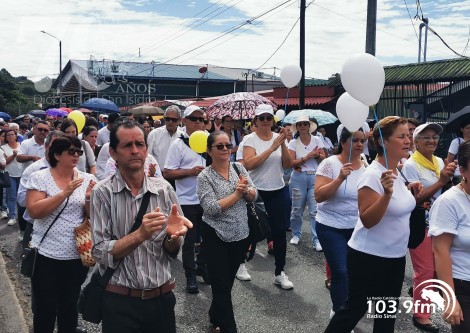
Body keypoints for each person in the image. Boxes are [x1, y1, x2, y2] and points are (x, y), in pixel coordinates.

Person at [91, 119, 192, 333]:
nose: (135, 151)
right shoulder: (102, 193)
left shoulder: (163, 189)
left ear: (147, 149)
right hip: (120, 301)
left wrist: (173, 238)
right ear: (113, 153)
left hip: (161, 298)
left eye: (140, 144)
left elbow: (172, 249)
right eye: (127, 146)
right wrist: (140, 235)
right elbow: (99, 252)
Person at [325, 116, 423, 333]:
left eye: (409, 135)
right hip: (368, 256)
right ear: (382, 141)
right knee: (354, 310)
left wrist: (408, 191)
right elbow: (368, 220)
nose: (408, 140)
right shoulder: (372, 175)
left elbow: (398, 209)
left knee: (385, 316)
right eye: (401, 136)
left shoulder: (399, 171)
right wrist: (386, 195)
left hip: (395, 257)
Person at [25, 136, 97, 333]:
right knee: (45, 307)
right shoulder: (40, 177)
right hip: (45, 254)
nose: (76, 155)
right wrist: (64, 193)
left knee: (69, 304)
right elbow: (34, 211)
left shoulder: (88, 179)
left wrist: (90, 200)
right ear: (57, 154)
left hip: (77, 253)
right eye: (71, 151)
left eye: (79, 152)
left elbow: (94, 217)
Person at [197, 131, 257, 333]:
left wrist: (246, 191)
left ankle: (215, 315)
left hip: (240, 234)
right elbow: (211, 208)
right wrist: (237, 193)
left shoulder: (239, 167)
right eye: (219, 146)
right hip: (215, 235)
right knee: (221, 286)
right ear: (209, 150)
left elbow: (254, 195)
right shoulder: (205, 176)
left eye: (228, 145)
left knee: (227, 283)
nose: (225, 149)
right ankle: (229, 328)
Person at [403, 123, 457, 332]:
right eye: (426, 137)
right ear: (415, 142)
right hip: (421, 224)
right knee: (425, 270)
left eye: (434, 137)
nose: (432, 141)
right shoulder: (410, 164)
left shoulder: (439, 161)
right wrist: (441, 180)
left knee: (438, 268)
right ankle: (421, 316)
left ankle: (421, 294)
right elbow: (416, 199)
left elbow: (443, 192)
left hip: (441, 222)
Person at [315, 128, 366, 319]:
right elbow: (319, 196)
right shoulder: (330, 164)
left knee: (354, 274)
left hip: (356, 228)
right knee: (341, 272)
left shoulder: (366, 166)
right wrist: (339, 178)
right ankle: (339, 314)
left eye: (362, 141)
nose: (360, 145)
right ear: (343, 142)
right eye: (355, 141)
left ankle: (345, 307)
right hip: (330, 226)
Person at [243, 104, 293, 290]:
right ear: (255, 121)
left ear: (273, 120)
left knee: (279, 232)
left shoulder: (279, 138)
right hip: (256, 191)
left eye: (268, 118)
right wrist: (272, 147)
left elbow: (288, 164)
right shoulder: (250, 139)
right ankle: (241, 264)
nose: (265, 121)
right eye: (261, 118)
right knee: (251, 230)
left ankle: (279, 272)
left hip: (278, 189)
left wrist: (283, 145)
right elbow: (249, 164)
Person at [164, 105, 209, 294]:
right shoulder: (178, 143)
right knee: (189, 241)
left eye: (201, 119)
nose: (199, 123)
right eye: (194, 119)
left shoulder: (209, 140)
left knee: (208, 237)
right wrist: (190, 172)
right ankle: (190, 275)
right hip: (187, 200)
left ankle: (202, 266)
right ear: (185, 121)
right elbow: (167, 172)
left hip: (207, 198)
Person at [430, 141, 470, 333]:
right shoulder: (449, 202)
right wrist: (450, 298)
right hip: (464, 286)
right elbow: (440, 250)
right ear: (462, 170)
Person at [287, 115, 325, 251]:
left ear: (309, 126)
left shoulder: (317, 140)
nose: (302, 126)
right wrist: (307, 157)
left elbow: (324, 158)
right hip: (298, 177)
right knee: (297, 209)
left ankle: (316, 240)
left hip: (314, 176)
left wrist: (317, 155)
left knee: (315, 211)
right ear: (296, 127)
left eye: (305, 124)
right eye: (300, 124)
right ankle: (296, 234)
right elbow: (291, 163)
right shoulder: (292, 143)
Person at [148, 105, 183, 184]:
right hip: (158, 176)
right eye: (168, 119)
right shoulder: (154, 134)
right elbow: (148, 157)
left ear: (179, 120)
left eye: (173, 120)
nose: (170, 122)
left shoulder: (183, 137)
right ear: (164, 118)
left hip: (178, 179)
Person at [2, 129, 22, 226]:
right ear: (5, 137)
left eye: (12, 134)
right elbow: (4, 163)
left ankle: (22, 216)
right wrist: (13, 155)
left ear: (16, 135)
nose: (10, 137)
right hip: (10, 174)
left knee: (22, 196)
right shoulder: (3, 148)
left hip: (22, 174)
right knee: (12, 196)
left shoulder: (22, 145)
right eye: (8, 135)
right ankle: (12, 216)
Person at [447, 118, 470, 184]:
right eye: (467, 128)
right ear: (462, 129)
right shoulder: (456, 142)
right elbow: (449, 160)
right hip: (459, 175)